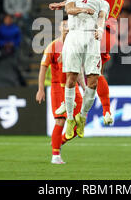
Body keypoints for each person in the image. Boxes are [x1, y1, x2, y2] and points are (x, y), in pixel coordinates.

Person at [49, 0, 126, 126]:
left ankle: (76, 102)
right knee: (90, 70)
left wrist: (61, 4)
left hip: (98, 30)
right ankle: (102, 110)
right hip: (108, 29)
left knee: (70, 55)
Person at [61, 0, 109, 140]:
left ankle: (82, 116)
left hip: (91, 38)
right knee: (71, 79)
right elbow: (69, 9)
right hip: (74, 36)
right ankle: (69, 118)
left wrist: (100, 29)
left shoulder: (102, 2)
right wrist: (82, 9)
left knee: (93, 81)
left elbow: (102, 17)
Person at [36, 16, 84, 164]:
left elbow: (79, 70)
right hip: (58, 88)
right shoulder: (52, 46)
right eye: (64, 25)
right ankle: (55, 155)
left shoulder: (76, 46)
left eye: (69, 25)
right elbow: (43, 68)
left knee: (79, 123)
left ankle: (59, 141)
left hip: (73, 87)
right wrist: (41, 89)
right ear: (59, 28)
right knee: (60, 121)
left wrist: (84, 87)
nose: (66, 28)